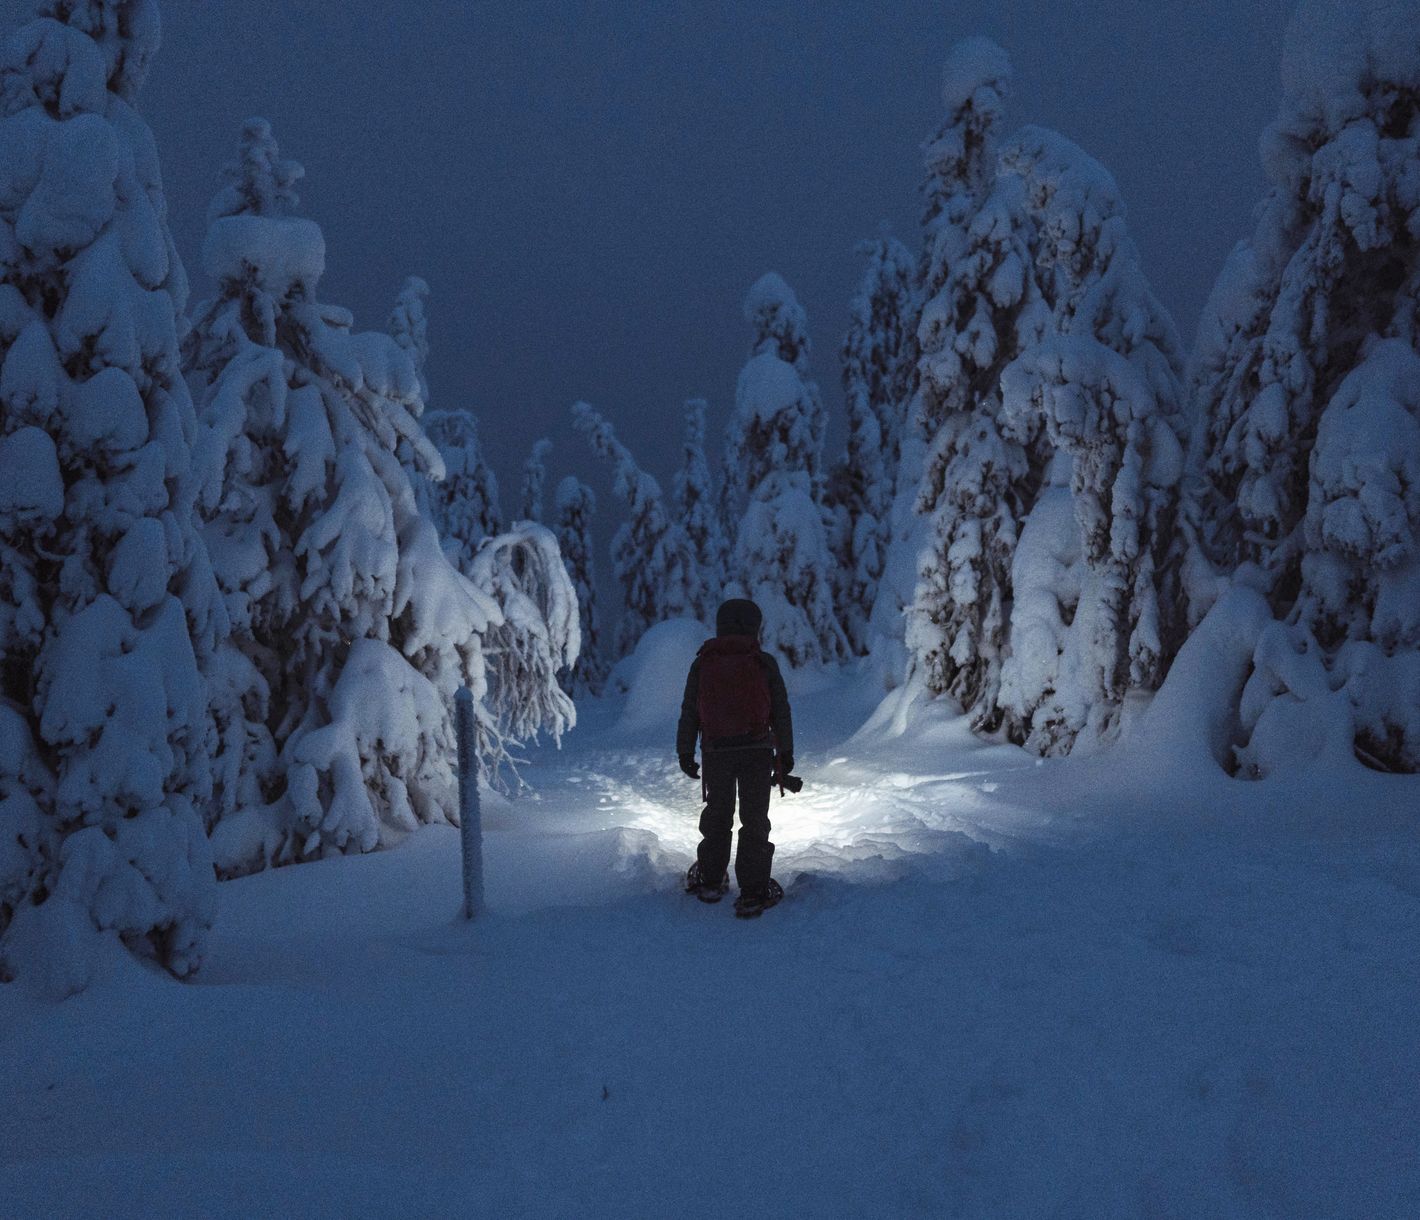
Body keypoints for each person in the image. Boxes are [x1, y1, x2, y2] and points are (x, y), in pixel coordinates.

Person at [677, 598, 793, 918]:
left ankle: (710, 881)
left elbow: (690, 711)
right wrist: (785, 754)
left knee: (718, 814)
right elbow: (780, 710)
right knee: (755, 818)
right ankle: (754, 892)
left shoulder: (704, 662)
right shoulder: (763, 661)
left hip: (717, 753)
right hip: (757, 751)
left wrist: (685, 751)